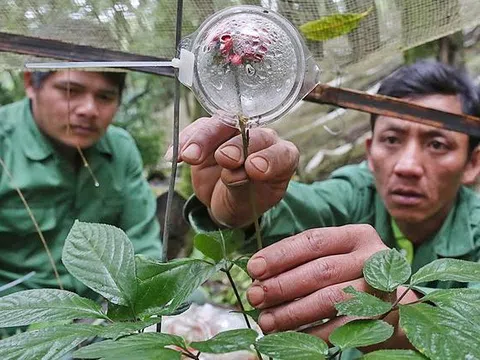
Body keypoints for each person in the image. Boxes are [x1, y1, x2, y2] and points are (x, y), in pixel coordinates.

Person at [172, 60, 480, 349]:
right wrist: (240, 204)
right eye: (392, 139)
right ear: (370, 153)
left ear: (473, 163)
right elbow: (298, 209)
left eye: (437, 145)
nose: (408, 166)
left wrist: (408, 316)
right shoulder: (355, 193)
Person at [0, 70, 161, 297]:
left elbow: (143, 245)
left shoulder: (121, 149)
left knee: (195, 304)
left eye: (105, 97)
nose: (89, 110)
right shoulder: (3, 141)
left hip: (103, 308)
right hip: (15, 309)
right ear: (30, 83)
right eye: (70, 91)